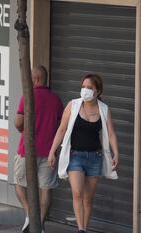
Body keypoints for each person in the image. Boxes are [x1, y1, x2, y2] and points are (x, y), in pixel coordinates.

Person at [48, 74, 119, 233]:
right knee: (77, 192)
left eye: (90, 88)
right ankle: (80, 229)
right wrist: (52, 152)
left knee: (88, 199)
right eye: (84, 86)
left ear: (98, 91)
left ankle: (84, 229)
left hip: (95, 157)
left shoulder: (104, 109)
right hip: (75, 157)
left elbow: (111, 133)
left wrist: (116, 153)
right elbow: (61, 130)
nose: (85, 90)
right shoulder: (72, 105)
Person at [14, 66, 63, 233]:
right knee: (46, 188)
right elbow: (60, 127)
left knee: (19, 184)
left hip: (26, 150)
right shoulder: (56, 100)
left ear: (34, 79)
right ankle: (39, 224)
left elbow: (18, 123)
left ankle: (29, 216)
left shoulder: (27, 97)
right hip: (49, 152)